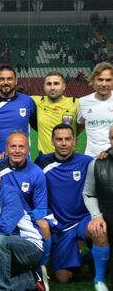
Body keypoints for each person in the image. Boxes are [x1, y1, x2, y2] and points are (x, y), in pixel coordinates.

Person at [35, 124, 107, 289]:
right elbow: (23, 169)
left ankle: (100, 279)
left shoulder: (88, 162)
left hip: (83, 219)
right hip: (61, 226)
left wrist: (107, 155)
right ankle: (87, 258)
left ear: (74, 141)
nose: (64, 143)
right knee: (63, 278)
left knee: (99, 229)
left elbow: (107, 169)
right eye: (59, 139)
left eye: (68, 139)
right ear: (52, 141)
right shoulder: (42, 162)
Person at [0, 130, 51, 282]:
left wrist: (21, 218)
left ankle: (40, 268)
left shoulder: (36, 173)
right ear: (6, 149)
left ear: (28, 149)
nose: (17, 151)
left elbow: (41, 209)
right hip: (3, 218)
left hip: (27, 222)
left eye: (21, 147)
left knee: (44, 225)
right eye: (13, 146)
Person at [0, 64, 36, 159]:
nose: (5, 82)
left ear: (16, 81)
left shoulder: (27, 101)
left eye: (9, 79)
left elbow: (38, 126)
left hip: (22, 161)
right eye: (2, 79)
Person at [83, 124, 113, 291]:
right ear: (109, 140)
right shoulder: (97, 163)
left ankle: (91, 256)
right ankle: (99, 280)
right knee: (98, 228)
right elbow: (88, 194)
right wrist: (96, 216)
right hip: (108, 221)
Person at [33, 72, 79, 155]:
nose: (52, 87)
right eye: (49, 84)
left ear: (64, 86)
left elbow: (81, 125)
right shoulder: (36, 102)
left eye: (56, 84)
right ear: (44, 86)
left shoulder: (75, 103)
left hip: (70, 158)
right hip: (46, 158)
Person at [77, 61, 113, 157]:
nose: (104, 84)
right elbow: (80, 124)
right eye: (100, 79)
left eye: (108, 80)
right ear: (93, 80)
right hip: (91, 158)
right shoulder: (83, 102)